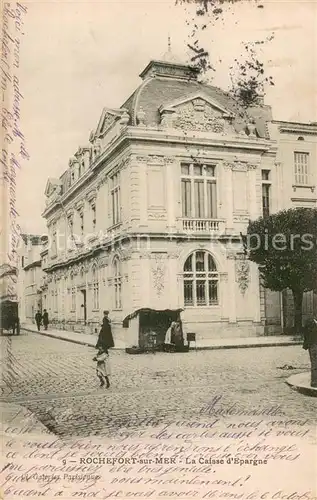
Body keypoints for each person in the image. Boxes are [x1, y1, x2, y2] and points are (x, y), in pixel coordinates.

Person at [303, 318, 317, 388]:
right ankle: (314, 382)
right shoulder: (309, 323)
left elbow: (305, 335)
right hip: (313, 346)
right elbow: (306, 335)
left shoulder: (308, 323)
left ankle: (314, 382)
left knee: (314, 364)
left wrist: (306, 345)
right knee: (314, 364)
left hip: (312, 346)